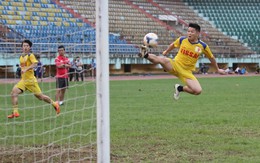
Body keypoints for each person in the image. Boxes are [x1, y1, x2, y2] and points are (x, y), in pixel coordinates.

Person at [138, 23, 225, 100]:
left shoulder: (203, 46)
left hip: (187, 72)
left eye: (192, 32)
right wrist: (166, 51)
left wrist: (217, 69)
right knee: (161, 59)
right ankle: (145, 54)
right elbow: (173, 45)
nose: (189, 33)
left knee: (197, 91)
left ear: (198, 33)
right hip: (175, 65)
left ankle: (179, 88)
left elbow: (211, 58)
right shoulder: (182, 39)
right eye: (188, 31)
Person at [8, 40, 60, 118]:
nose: (25, 47)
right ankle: (15, 112)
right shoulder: (21, 56)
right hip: (23, 81)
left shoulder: (30, 55)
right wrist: (20, 68)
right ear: (22, 47)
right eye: (24, 46)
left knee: (40, 97)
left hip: (31, 81)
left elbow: (35, 64)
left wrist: (26, 69)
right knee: (13, 93)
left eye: (27, 46)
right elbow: (23, 66)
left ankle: (55, 104)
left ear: (30, 47)